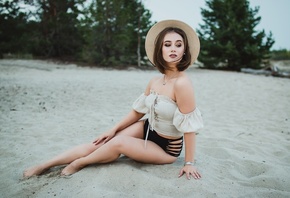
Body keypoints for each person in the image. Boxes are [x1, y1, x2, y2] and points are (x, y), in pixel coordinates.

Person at [23, 20, 204, 180]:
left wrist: (189, 162)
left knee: (118, 144)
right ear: (160, 49)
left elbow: (189, 128)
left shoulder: (183, 84)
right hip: (147, 128)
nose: (173, 48)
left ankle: (80, 163)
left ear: (184, 50)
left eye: (178, 44)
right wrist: (113, 129)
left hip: (167, 147)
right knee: (102, 142)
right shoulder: (155, 81)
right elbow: (138, 112)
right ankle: (46, 165)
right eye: (167, 44)